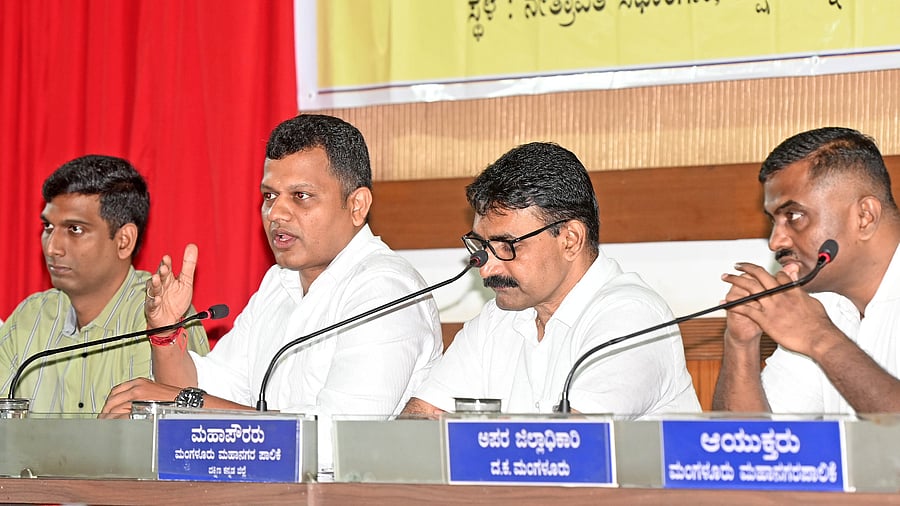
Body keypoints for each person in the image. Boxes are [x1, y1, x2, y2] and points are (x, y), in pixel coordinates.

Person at [101, 114, 443, 419]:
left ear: (356, 205)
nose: (276, 213)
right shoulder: (280, 283)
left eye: (300, 196)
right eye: (269, 196)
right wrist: (165, 336)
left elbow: (340, 434)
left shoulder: (388, 290)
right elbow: (211, 390)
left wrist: (188, 401)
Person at [403, 142, 701, 417]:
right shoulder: (497, 318)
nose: (487, 268)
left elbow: (570, 446)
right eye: (482, 246)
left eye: (508, 246)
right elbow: (420, 419)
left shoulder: (633, 316)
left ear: (570, 240)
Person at [0, 155, 209, 414]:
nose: (52, 247)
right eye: (48, 227)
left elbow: (186, 431)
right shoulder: (29, 318)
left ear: (123, 240)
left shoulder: (164, 316)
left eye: (74, 229)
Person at [713, 127, 900, 414]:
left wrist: (820, 337)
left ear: (864, 217)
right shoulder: (821, 303)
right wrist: (741, 343)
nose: (776, 241)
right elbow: (746, 448)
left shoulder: (813, 322)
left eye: (794, 216)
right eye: (773, 220)